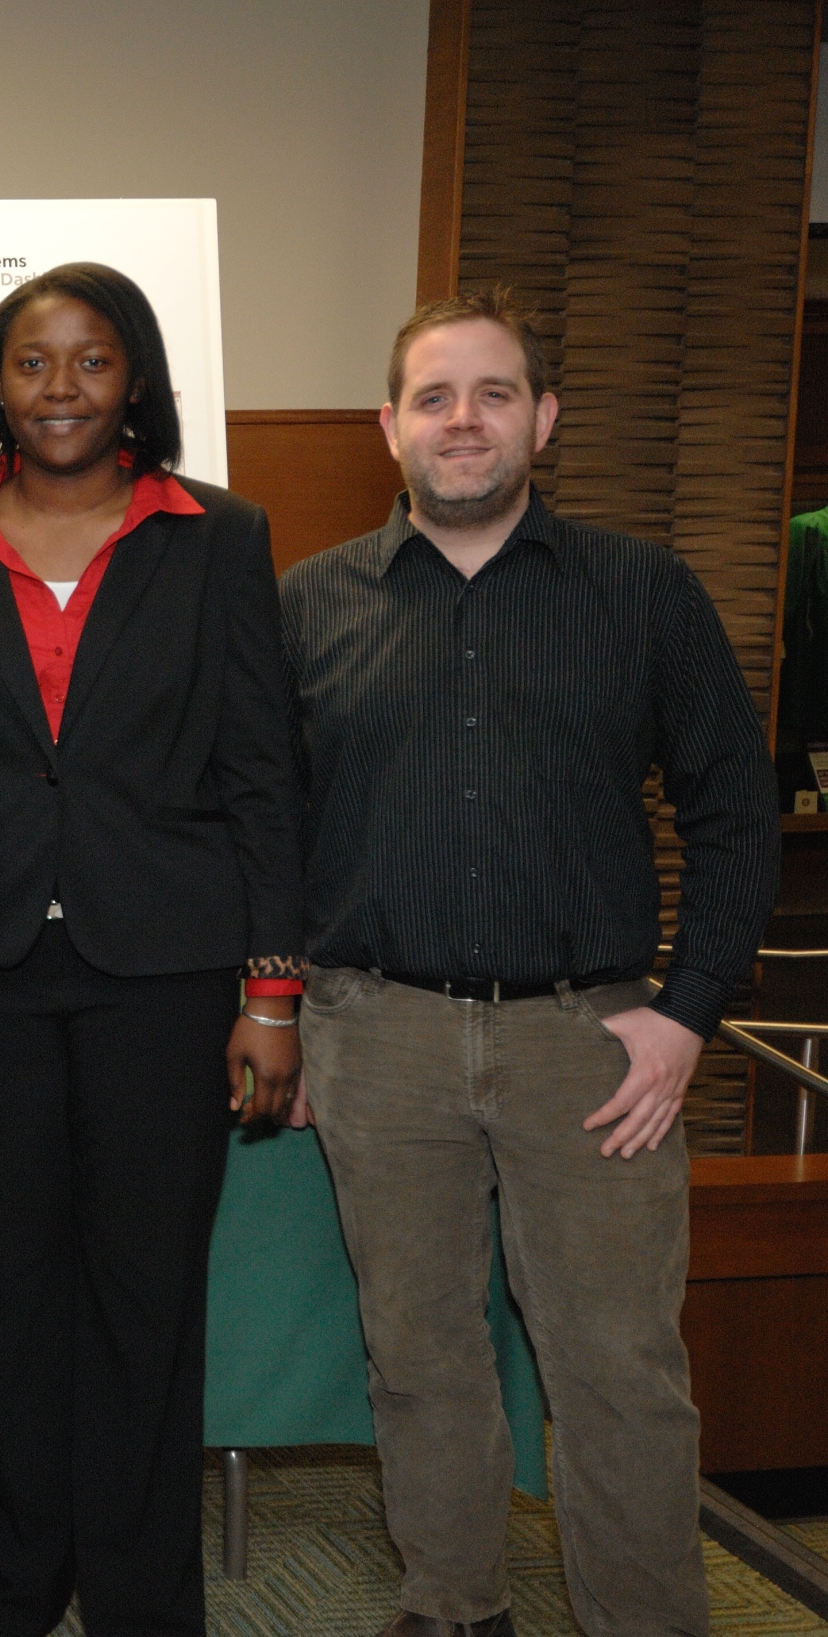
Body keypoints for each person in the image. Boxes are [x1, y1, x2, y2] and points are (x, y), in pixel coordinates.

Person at [281, 287, 777, 1637]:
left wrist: (687, 1012)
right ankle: (454, 1604)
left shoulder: (645, 592)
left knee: (618, 1365)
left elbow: (737, 813)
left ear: (544, 419)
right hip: (377, 1037)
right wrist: (284, 1011)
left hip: (595, 1047)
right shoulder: (308, 604)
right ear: (390, 426)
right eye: (434, 397)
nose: (464, 420)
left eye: (494, 393)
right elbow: (265, 830)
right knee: (419, 1352)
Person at [0, 262, 306, 1637]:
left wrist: (272, 989)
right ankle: (20, 1586)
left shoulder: (218, 535)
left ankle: (141, 1601)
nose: (60, 387)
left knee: (145, 1303)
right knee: (12, 1301)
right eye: (31, 361)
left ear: (137, 381)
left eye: (92, 359)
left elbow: (264, 774)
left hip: (164, 979)